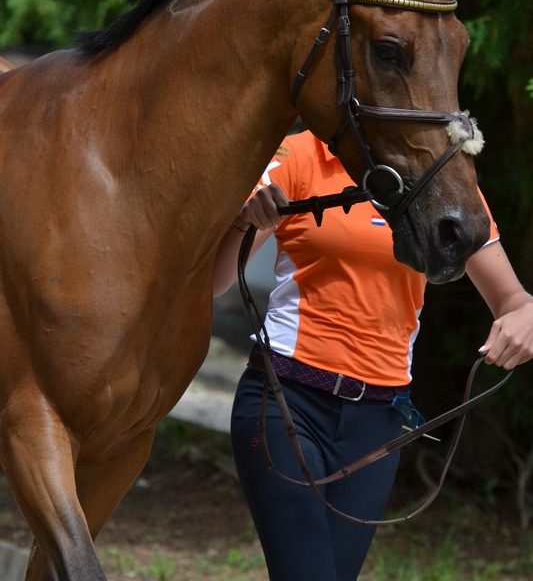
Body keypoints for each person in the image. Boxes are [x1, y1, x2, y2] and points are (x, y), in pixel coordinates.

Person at [213, 129, 533, 581]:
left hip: (377, 424)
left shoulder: (440, 173)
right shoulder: (299, 154)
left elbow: (515, 301)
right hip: (285, 401)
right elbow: (213, 282)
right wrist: (246, 224)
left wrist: (525, 318)